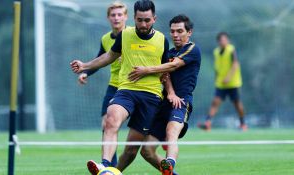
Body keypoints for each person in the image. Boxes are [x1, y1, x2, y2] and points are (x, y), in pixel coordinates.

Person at [70, 0, 174, 174]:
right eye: (139, 20)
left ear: (154, 19)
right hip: (126, 90)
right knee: (110, 120)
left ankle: (113, 171)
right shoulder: (125, 35)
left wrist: (170, 92)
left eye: (147, 20)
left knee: (132, 149)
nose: (143, 24)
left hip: (151, 96)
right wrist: (85, 66)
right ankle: (104, 164)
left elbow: (165, 70)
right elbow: (109, 56)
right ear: (133, 18)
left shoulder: (162, 40)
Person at [127, 14, 201, 175]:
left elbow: (173, 66)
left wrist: (146, 70)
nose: (175, 35)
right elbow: (165, 75)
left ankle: (169, 162)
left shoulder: (192, 49)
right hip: (164, 102)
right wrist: (170, 93)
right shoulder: (168, 52)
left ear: (189, 32)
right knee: (146, 151)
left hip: (181, 102)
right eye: (172, 31)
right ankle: (170, 172)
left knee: (171, 131)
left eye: (180, 31)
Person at [77, 1, 128, 167]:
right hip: (114, 87)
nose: (116, 18)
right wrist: (86, 72)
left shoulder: (134, 36)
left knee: (142, 135)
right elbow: (100, 59)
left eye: (120, 14)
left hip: (135, 87)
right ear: (108, 18)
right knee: (107, 125)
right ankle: (109, 168)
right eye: (113, 15)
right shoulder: (106, 39)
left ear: (126, 17)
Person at [198, 32, 247, 131]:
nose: (223, 41)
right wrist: (216, 78)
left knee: (237, 104)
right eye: (221, 40)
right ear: (218, 41)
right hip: (221, 83)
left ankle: (243, 124)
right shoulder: (216, 52)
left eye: (225, 39)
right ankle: (208, 123)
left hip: (233, 83)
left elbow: (235, 64)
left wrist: (229, 77)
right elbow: (217, 66)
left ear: (228, 40)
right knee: (215, 102)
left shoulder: (231, 49)